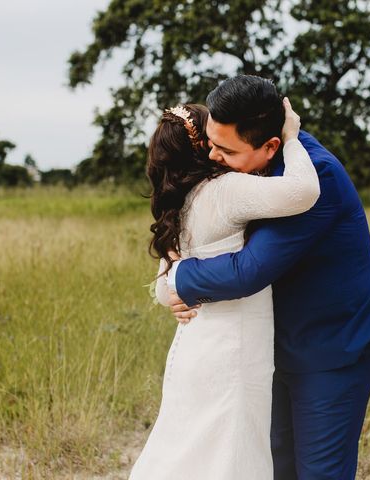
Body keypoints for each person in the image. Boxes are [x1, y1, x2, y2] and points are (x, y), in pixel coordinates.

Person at [165, 75, 370, 479]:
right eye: (210, 141)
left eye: (225, 149)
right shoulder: (254, 164)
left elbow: (250, 269)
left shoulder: (315, 179)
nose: (213, 156)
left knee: (318, 471)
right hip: (279, 340)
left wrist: (180, 280)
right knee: (275, 464)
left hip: (333, 343)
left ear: (270, 145)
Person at [128, 95, 320, 479]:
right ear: (204, 147)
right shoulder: (226, 190)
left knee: (186, 447)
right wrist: (292, 137)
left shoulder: (178, 204)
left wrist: (177, 291)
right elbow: (303, 192)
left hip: (193, 346)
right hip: (236, 345)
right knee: (232, 452)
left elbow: (166, 290)